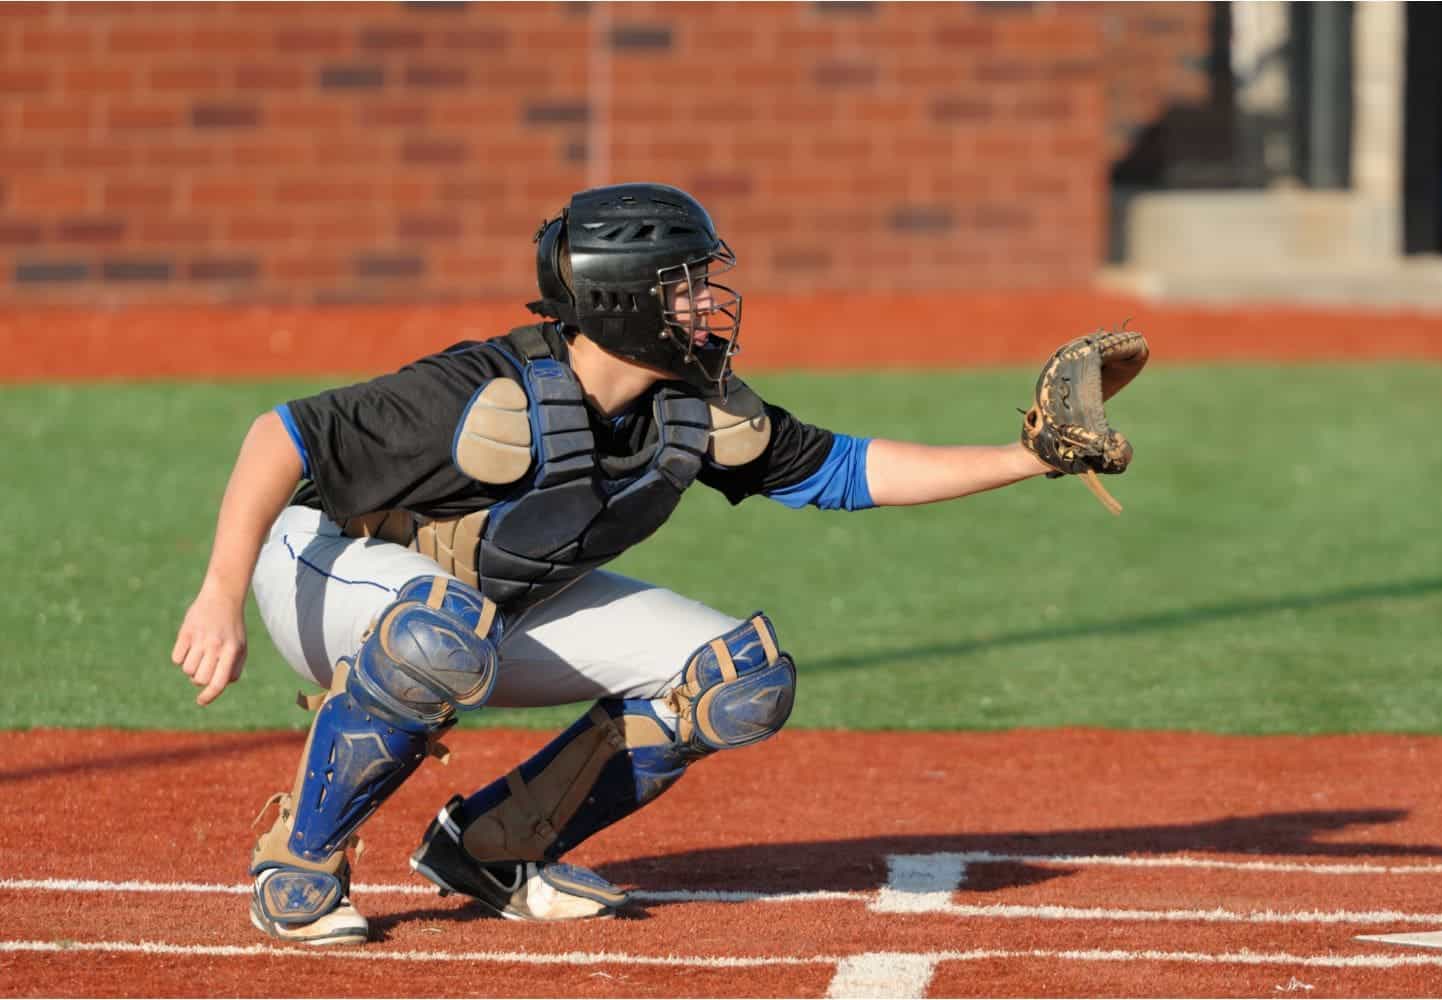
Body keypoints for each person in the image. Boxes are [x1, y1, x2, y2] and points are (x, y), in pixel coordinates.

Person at [170, 182, 1090, 946]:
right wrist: (219, 594)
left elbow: (848, 471)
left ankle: (494, 849)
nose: (708, 302)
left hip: (484, 606)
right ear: (624, 298)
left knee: (736, 680)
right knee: (438, 636)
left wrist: (1033, 458)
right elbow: (284, 434)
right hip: (326, 571)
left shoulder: (697, 407)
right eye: (686, 285)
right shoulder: (483, 393)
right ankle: (299, 861)